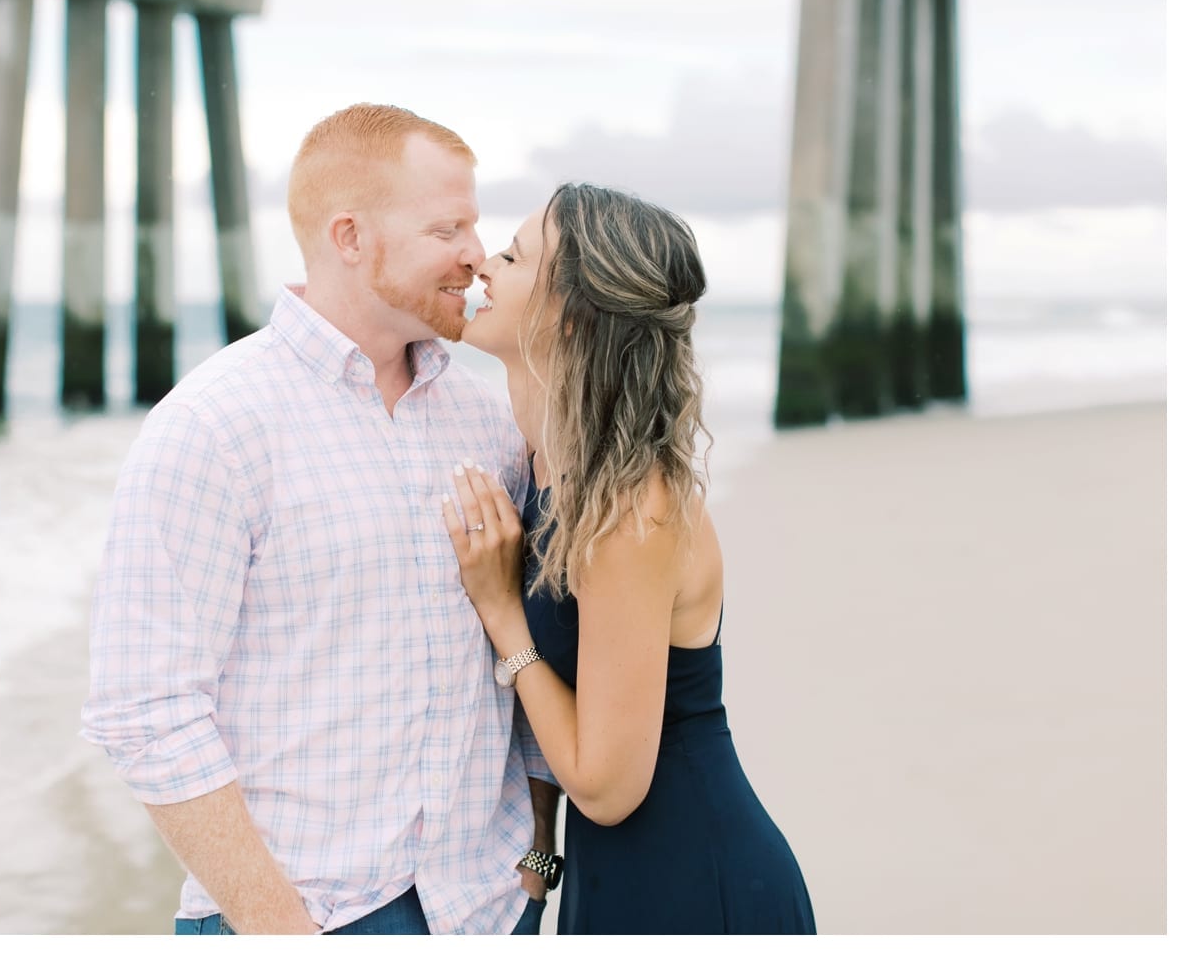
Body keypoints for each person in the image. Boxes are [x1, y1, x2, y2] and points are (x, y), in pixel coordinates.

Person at [80, 103, 561, 935]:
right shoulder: (214, 428)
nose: (475, 257)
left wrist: (538, 864)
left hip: (488, 912)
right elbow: (144, 707)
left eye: (474, 226)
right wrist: (283, 934)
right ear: (350, 237)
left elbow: (529, 651)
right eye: (446, 228)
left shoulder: (491, 424)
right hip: (304, 920)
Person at [441, 182, 816, 934]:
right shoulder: (544, 467)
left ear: (570, 316)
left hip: (693, 880)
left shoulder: (628, 512)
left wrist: (501, 613)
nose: (483, 263)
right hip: (612, 875)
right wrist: (540, 863)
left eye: (513, 257)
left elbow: (609, 789)